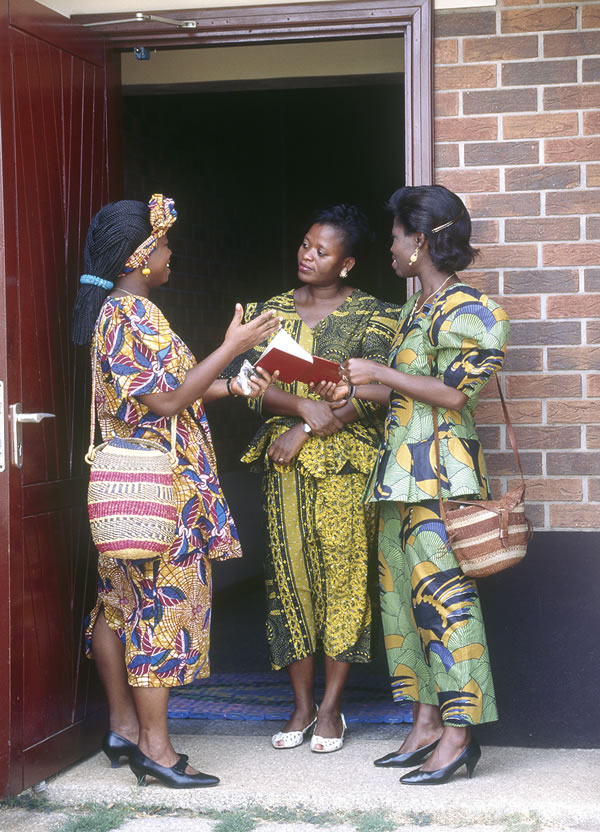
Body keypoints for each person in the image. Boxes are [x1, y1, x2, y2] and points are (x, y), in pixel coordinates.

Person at [71, 194, 280, 789]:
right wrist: (231, 346)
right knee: (162, 608)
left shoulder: (121, 312)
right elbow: (165, 401)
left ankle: (124, 728)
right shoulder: (132, 314)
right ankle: (158, 752)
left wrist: (234, 384)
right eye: (164, 246)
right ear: (142, 254)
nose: (172, 256)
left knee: (119, 605)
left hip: (128, 495)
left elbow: (172, 391)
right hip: (162, 493)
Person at [328, 185, 510, 783]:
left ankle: (459, 736)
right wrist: (356, 387)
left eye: (397, 236)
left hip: (441, 481)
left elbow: (456, 393)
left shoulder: (472, 310)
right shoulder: (416, 311)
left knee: (447, 608)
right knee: (404, 609)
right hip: (399, 478)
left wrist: (380, 371)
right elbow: (404, 388)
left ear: (422, 241)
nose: (391, 246)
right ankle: (426, 722)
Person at [237, 204, 401, 753]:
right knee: (289, 578)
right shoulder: (269, 312)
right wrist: (303, 409)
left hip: (346, 465)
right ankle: (302, 705)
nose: (308, 255)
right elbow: (251, 384)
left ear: (347, 263)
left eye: (322, 250)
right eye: (305, 244)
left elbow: (382, 394)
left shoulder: (376, 316)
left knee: (344, 580)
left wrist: (307, 427)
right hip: (283, 469)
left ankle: (332, 708)